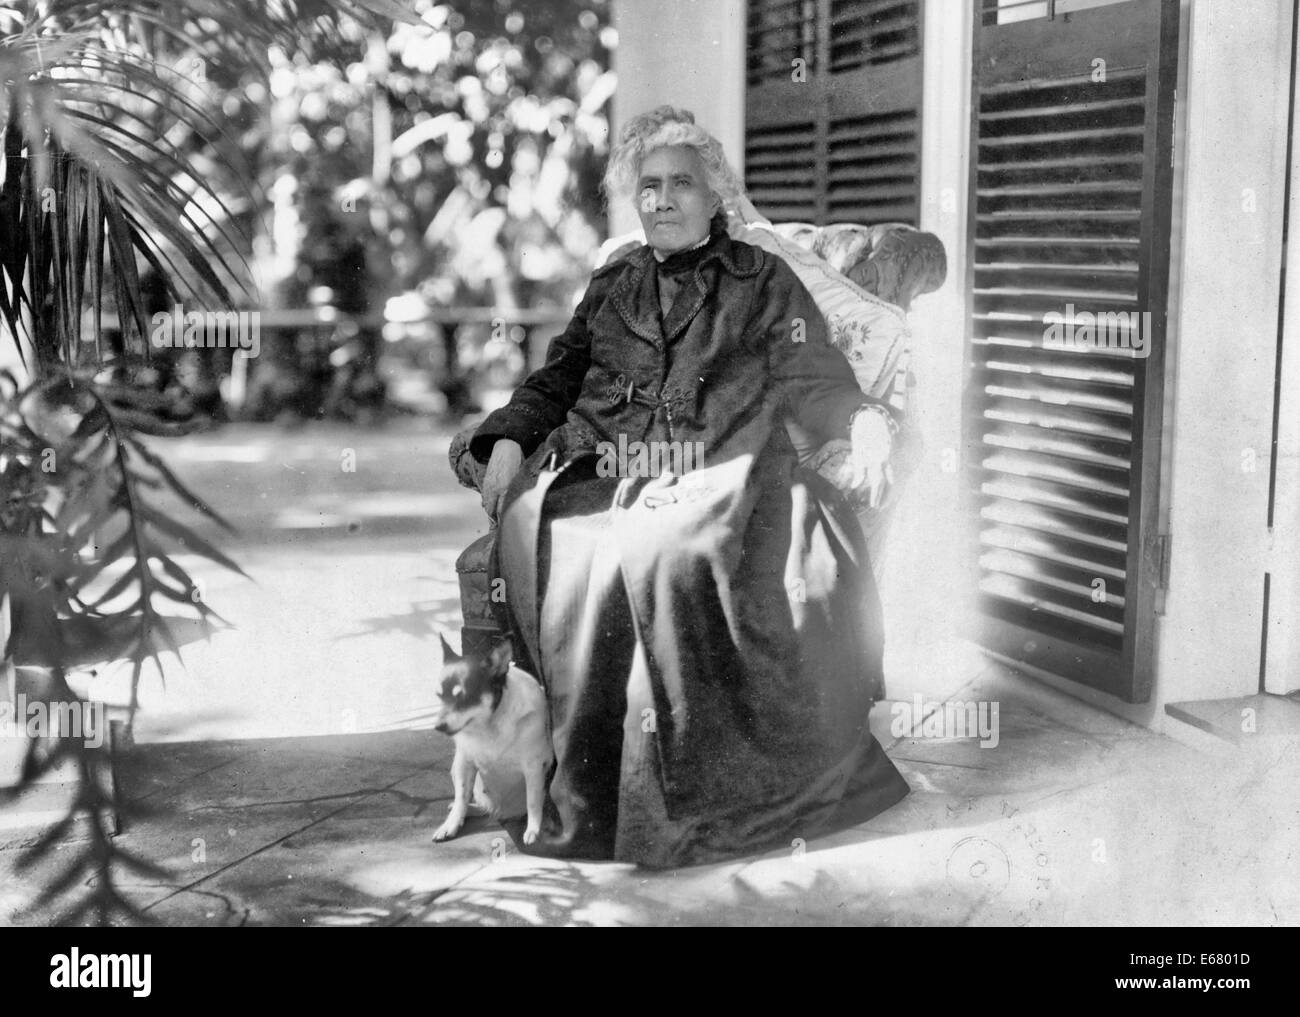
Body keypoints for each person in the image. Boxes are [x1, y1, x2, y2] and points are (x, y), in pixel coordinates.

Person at [463, 106, 909, 868]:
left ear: (715, 197)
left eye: (681, 185)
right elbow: (559, 375)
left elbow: (813, 380)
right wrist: (508, 435)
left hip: (722, 468)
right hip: (608, 465)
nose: (663, 201)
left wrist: (863, 420)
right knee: (551, 534)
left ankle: (679, 803)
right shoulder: (615, 281)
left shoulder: (761, 278)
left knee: (665, 548)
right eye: (649, 187)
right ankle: (576, 788)